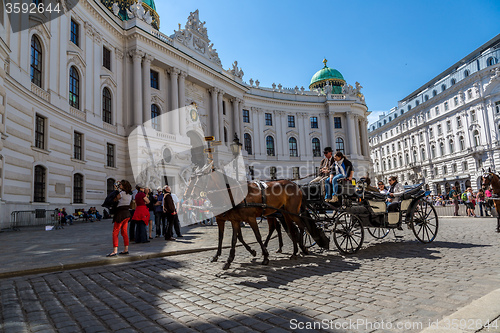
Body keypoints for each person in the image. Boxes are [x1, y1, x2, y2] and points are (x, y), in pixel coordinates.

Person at [107, 180, 133, 257]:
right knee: (124, 232)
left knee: (115, 232)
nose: (120, 185)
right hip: (127, 213)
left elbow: (114, 199)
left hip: (120, 213)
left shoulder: (121, 193)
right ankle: (126, 249)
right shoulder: (130, 194)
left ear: (124, 185)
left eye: (121, 184)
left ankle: (115, 251)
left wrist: (116, 190)